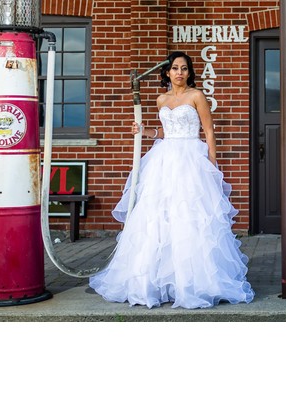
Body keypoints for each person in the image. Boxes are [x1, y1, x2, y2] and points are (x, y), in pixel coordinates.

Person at [89, 51, 255, 309]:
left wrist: (211, 165)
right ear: (167, 72)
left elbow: (209, 132)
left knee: (190, 216)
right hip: (164, 159)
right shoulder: (161, 99)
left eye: (184, 68)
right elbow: (163, 133)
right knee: (157, 217)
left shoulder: (196, 96)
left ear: (190, 72)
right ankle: (154, 282)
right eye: (175, 68)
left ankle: (194, 282)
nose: (180, 72)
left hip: (191, 158)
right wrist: (144, 131)